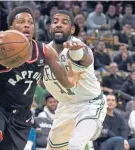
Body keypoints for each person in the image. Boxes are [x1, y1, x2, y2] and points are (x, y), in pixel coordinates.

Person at [0, 6, 82, 150]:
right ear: (11, 27)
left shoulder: (45, 51)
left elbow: (65, 81)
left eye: (30, 22)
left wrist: (75, 74)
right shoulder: (1, 48)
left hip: (22, 115)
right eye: (21, 21)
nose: (27, 24)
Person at [43, 10, 107, 150]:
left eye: (64, 22)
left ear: (72, 29)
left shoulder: (79, 47)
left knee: (75, 145)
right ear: (50, 28)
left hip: (90, 104)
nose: (59, 25)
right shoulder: (43, 52)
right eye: (55, 22)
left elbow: (85, 57)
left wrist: (77, 52)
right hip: (65, 106)